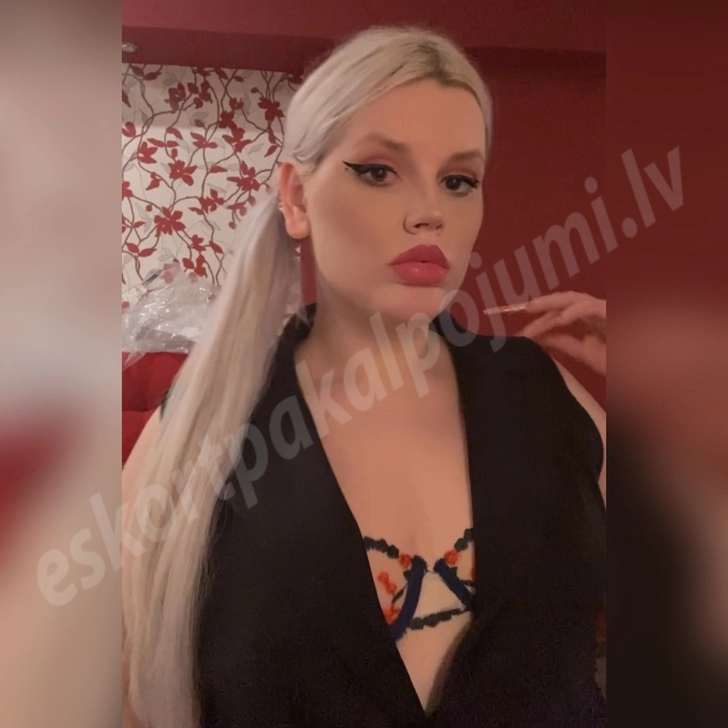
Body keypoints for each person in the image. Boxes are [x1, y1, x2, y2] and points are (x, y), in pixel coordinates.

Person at [122, 26, 607, 728]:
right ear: (296, 196)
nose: (430, 211)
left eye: (459, 180)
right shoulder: (203, 421)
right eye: (379, 171)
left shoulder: (540, 393)